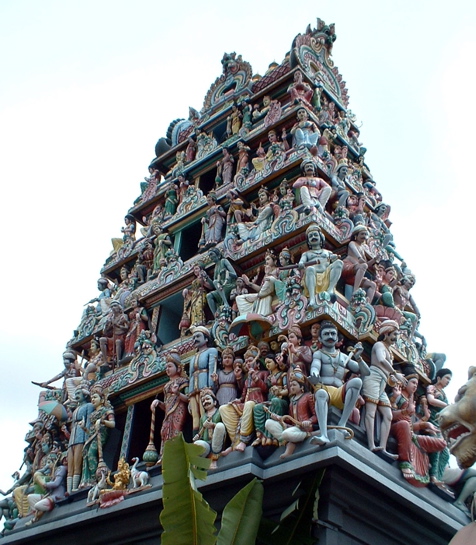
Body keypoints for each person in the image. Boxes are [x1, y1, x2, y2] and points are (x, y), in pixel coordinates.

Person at [308, 321, 369, 445]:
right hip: (324, 389)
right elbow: (315, 366)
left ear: (337, 338)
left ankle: (342, 424)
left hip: (339, 392)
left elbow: (365, 372)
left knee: (357, 381)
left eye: (332, 334)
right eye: (326, 334)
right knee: (320, 394)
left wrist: (358, 357)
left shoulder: (343, 357)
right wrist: (314, 374)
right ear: (320, 338)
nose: (330, 337)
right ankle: (324, 435)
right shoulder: (319, 354)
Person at [390, 368, 447, 487]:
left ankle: (433, 475)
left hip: (410, 435)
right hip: (395, 427)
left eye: (417, 383)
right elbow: (389, 415)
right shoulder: (398, 395)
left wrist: (425, 424)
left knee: (442, 443)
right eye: (413, 382)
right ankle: (405, 462)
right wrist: (405, 411)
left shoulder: (412, 402)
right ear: (405, 382)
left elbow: (412, 426)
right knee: (404, 424)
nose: (415, 386)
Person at [362, 320, 406, 459]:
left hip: (382, 383)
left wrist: (393, 379)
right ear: (386, 334)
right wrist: (394, 373)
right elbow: (381, 360)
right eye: (394, 334)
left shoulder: (389, 351)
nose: (395, 338)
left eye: (397, 335)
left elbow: (386, 372)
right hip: (373, 379)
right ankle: (371, 445)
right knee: (371, 412)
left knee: (388, 415)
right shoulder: (379, 345)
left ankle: (382, 447)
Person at [265, 370, 317, 458]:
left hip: (304, 427)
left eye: (294, 385)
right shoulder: (292, 400)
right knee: (268, 423)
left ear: (302, 387)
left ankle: (307, 435)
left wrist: (309, 421)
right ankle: (289, 441)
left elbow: (316, 415)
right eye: (291, 385)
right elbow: (290, 419)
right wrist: (278, 417)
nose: (292, 387)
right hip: (293, 427)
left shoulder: (308, 396)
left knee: (286, 434)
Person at [150, 350, 189, 462]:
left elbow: (188, 399)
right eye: (166, 367)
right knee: (164, 431)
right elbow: (166, 406)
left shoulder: (183, 381)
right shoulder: (166, 386)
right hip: (168, 413)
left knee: (176, 430)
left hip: (179, 409)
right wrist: (158, 403)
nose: (167, 369)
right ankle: (165, 455)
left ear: (179, 368)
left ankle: (176, 454)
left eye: (170, 366)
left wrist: (177, 393)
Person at [299, 223, 343, 307]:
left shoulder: (328, 252)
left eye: (315, 235)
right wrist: (301, 264)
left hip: (326, 275)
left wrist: (334, 259)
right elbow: (302, 262)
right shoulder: (307, 254)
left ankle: (330, 289)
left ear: (321, 238)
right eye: (310, 236)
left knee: (339, 263)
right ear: (308, 241)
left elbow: (334, 262)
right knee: (309, 269)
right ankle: (312, 298)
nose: (313, 237)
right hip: (313, 275)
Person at [79, 385, 115, 488]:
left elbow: (113, 424)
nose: (93, 400)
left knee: (91, 454)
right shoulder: (93, 414)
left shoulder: (107, 410)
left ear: (102, 399)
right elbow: (90, 431)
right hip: (93, 436)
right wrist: (84, 428)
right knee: (86, 453)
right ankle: (89, 480)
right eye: (91, 398)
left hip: (101, 434)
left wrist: (103, 421)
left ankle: (97, 478)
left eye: (95, 397)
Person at [188, 326, 218, 434]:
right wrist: (188, 393)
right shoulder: (193, 357)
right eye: (193, 337)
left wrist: (210, 388)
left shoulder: (211, 351)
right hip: (193, 389)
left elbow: (212, 369)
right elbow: (190, 375)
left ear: (206, 339)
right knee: (195, 415)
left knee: (204, 412)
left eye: (198, 336)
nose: (195, 339)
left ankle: (206, 436)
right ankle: (196, 439)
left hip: (204, 387)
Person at [66, 384, 94, 493]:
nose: (76, 396)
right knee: (70, 465)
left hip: (81, 436)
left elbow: (88, 422)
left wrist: (87, 438)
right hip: (73, 437)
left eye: (78, 393)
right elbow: (73, 424)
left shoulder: (89, 406)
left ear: (84, 394)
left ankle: (74, 487)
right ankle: (69, 490)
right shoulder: (76, 409)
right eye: (76, 394)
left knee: (77, 463)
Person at [426, 368, 452, 484]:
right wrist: (447, 405)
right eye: (447, 378)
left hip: (439, 427)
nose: (448, 381)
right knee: (437, 445)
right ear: (439, 378)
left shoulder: (444, 394)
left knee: (446, 453)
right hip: (430, 422)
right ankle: (432, 476)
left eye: (450, 380)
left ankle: (439, 478)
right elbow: (430, 400)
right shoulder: (432, 388)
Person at [342, 225, 378, 303]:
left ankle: (366, 305)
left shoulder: (362, 248)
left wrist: (375, 259)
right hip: (348, 266)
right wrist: (359, 258)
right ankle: (355, 291)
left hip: (357, 273)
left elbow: (366, 265)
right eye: (362, 234)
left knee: (373, 285)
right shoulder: (352, 243)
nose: (364, 236)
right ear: (356, 235)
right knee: (363, 266)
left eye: (365, 234)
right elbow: (355, 252)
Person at [193, 390, 226, 470]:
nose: (205, 402)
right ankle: (199, 462)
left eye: (207, 399)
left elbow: (226, 427)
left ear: (214, 402)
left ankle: (214, 457)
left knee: (220, 426)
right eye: (203, 401)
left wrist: (213, 425)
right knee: (197, 444)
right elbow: (201, 432)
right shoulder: (202, 418)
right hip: (207, 444)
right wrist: (198, 436)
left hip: (217, 443)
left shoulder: (219, 412)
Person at [206, 247, 237, 316]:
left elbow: (235, 275)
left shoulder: (224, 261)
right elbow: (214, 285)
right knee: (209, 295)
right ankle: (216, 316)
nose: (210, 257)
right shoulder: (216, 267)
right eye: (209, 256)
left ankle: (226, 303)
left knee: (216, 282)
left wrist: (226, 271)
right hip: (221, 287)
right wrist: (207, 277)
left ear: (217, 254)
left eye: (211, 254)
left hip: (229, 284)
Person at [99, 300, 129, 366]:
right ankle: (105, 361)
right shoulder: (111, 318)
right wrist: (107, 325)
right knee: (102, 339)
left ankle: (118, 361)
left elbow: (127, 328)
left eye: (115, 306)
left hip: (122, 336)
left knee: (118, 341)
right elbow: (105, 332)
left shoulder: (123, 316)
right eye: (112, 307)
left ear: (119, 307)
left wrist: (117, 325)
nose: (113, 308)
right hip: (114, 337)